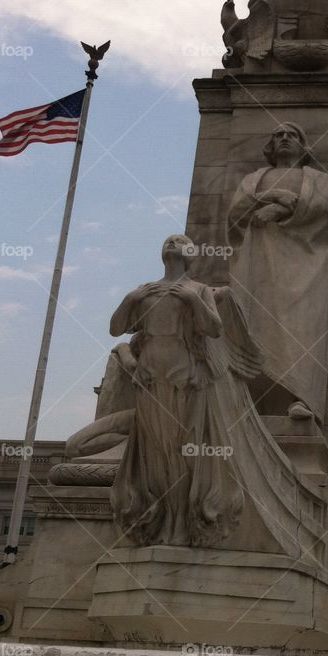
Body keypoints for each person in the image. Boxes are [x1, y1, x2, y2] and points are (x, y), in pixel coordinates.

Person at [108, 234, 262, 548]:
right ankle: (162, 520)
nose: (172, 243)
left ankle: (182, 522)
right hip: (151, 379)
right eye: (168, 240)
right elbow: (115, 328)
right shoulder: (146, 290)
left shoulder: (198, 289)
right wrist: (131, 298)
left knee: (183, 453)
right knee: (157, 453)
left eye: (178, 241)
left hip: (186, 378)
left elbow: (214, 328)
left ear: (190, 253)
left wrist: (193, 300)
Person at [226, 122, 328, 422]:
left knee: (301, 329)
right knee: (251, 324)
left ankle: (301, 399)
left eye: (292, 135)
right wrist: (273, 196)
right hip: (256, 263)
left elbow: (324, 210)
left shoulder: (318, 179)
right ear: (271, 145)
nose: (285, 138)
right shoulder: (254, 179)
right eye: (278, 135)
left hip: (305, 266)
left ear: (303, 146)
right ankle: (245, 400)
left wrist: (281, 210)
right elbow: (236, 212)